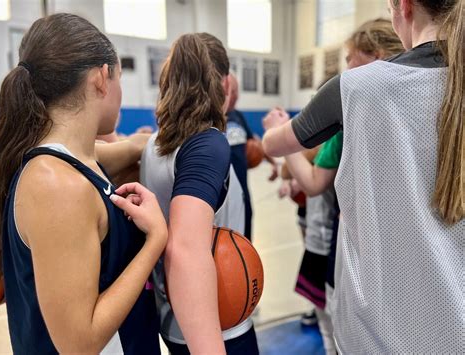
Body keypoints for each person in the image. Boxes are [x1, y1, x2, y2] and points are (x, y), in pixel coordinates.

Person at [263, 0, 463, 353]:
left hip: (377, 332)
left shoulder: (356, 88)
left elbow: (275, 144)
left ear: (402, 6)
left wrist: (275, 126)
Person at [0, 13, 168, 354]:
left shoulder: (74, 160)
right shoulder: (56, 185)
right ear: (102, 78)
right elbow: (79, 343)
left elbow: (119, 152)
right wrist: (155, 242)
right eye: (119, 78)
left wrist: (161, 144)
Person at [140, 33, 258, 355]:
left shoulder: (153, 144)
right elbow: (186, 250)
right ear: (225, 84)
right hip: (216, 325)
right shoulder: (207, 143)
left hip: (175, 317)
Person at [226, 73, 278, 240]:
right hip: (223, 194)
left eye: (236, 91)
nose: (235, 96)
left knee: (245, 239)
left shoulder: (238, 116)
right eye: (232, 91)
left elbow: (254, 140)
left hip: (242, 190)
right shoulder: (209, 119)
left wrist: (272, 162)